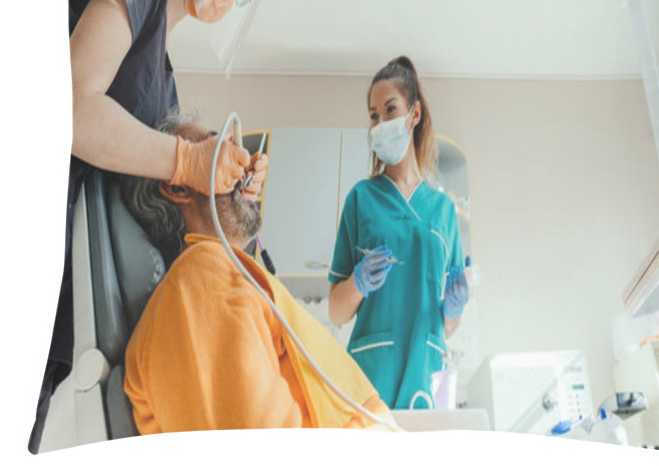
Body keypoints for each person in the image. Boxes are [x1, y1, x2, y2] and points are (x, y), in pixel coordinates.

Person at [30, 0, 274, 452]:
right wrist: (190, 159)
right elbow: (67, 108)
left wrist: (228, 188)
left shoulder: (164, 79)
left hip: (69, 313)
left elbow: (152, 186)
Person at [120, 115, 393, 432]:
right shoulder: (199, 281)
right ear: (178, 185)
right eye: (220, 147)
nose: (243, 161)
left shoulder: (225, 274)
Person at [328, 56, 470, 410]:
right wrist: (358, 283)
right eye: (374, 115)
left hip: (427, 375)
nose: (380, 123)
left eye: (390, 110)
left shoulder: (444, 211)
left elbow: (448, 326)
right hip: (371, 377)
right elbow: (335, 312)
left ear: (414, 114)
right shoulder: (361, 199)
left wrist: (454, 306)